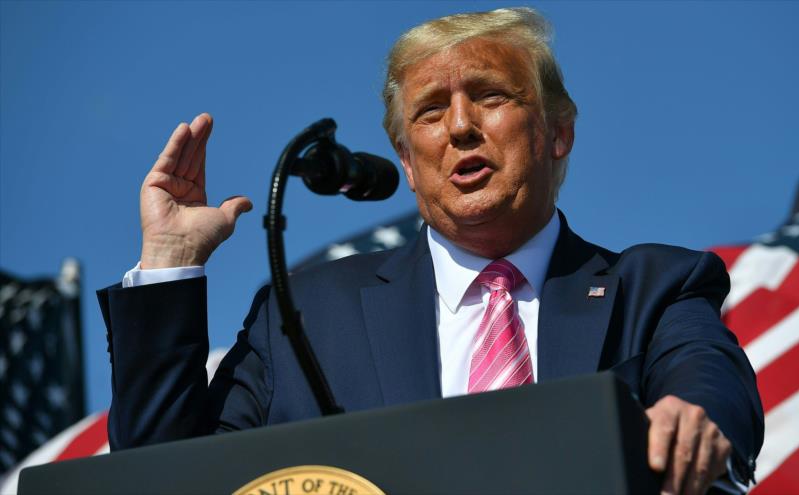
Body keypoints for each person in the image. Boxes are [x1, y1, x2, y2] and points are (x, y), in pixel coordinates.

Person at [98, 7, 762, 495]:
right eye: (430, 111)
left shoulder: (654, 286)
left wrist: (693, 418)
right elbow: (163, 478)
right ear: (408, 164)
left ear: (558, 131)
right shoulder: (304, 315)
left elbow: (710, 387)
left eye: (491, 95)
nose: (461, 126)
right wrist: (168, 261)